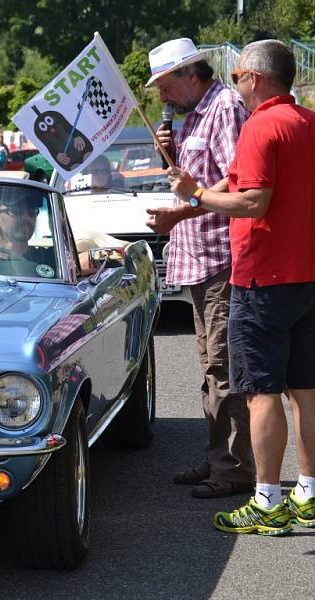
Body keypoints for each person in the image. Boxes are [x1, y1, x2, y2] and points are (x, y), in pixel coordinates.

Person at [170, 39, 315, 535]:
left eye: (236, 77)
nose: (234, 84)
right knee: (307, 391)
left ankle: (268, 499)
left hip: (262, 275)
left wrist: (197, 195)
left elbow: (253, 202)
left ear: (254, 77)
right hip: (307, 274)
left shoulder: (260, 127)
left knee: (260, 392)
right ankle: (309, 491)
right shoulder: (309, 122)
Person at [144, 37, 254, 499]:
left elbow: (236, 179)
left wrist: (180, 213)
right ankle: (219, 460)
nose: (163, 98)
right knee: (211, 367)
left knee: (223, 367)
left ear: (192, 75)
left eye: (166, 87)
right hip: (199, 260)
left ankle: (233, 469)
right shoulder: (195, 114)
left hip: (219, 258)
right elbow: (189, 181)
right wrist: (167, 149)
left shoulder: (224, 106)